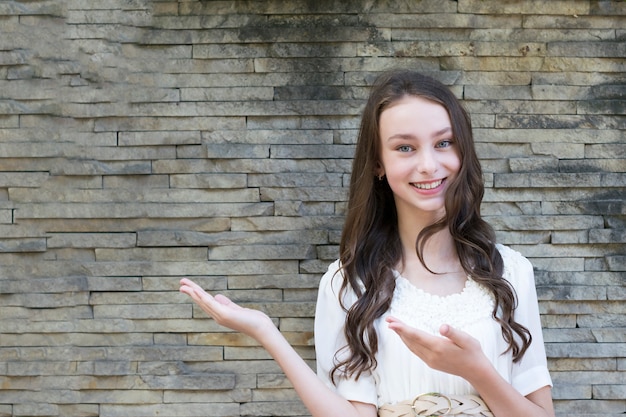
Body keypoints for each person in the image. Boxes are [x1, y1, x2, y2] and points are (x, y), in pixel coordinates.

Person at [179, 70, 555, 417]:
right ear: (378, 163)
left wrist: (477, 371)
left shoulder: (509, 272)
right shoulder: (348, 283)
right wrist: (267, 332)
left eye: (444, 142)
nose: (428, 165)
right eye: (405, 148)